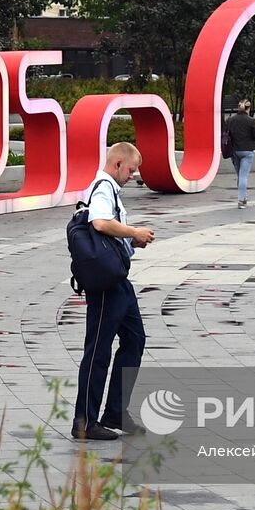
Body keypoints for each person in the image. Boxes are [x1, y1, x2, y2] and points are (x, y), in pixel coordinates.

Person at [73, 141, 156, 441]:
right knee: (98, 349)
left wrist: (131, 241)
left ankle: (115, 411)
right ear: (118, 163)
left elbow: (107, 229)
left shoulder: (110, 189)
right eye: (131, 170)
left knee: (135, 338)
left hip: (118, 278)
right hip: (107, 281)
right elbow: (99, 222)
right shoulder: (104, 187)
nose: (133, 176)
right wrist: (133, 232)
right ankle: (85, 421)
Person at [225, 99, 255, 208]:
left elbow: (226, 135)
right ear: (248, 109)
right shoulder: (251, 121)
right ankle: (241, 200)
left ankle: (244, 197)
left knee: (240, 176)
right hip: (247, 151)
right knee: (243, 176)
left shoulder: (230, 120)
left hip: (235, 151)